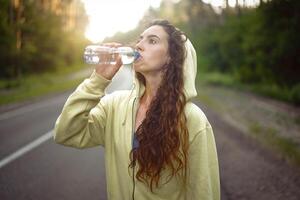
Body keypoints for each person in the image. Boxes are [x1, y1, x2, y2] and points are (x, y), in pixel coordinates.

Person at [54, 19, 220, 200]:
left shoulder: (192, 119)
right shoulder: (114, 106)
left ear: (171, 57)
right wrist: (97, 81)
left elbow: (204, 192)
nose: (139, 45)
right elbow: (65, 133)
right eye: (140, 39)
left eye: (152, 40)